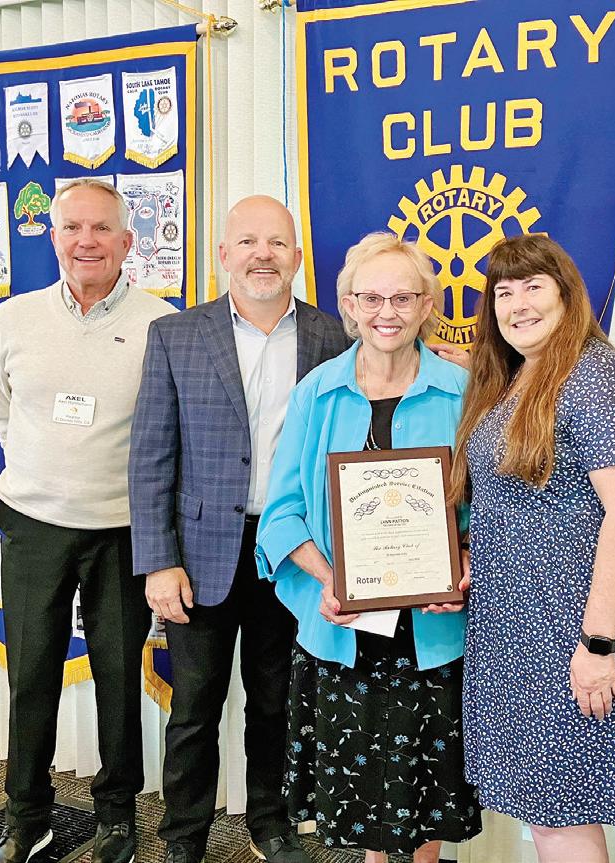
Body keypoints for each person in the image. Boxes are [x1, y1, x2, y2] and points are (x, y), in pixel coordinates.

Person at [128, 195, 348, 863]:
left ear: (297, 258)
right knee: (194, 707)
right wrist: (158, 561)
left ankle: (270, 822)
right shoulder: (175, 334)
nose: (262, 255)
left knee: (276, 699)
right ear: (223, 254)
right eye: (248, 242)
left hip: (293, 551)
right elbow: (151, 454)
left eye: (277, 243)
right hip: (199, 555)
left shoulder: (333, 336)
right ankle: (183, 836)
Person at [255, 232, 481, 863]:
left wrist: (464, 563)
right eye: (371, 298)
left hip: (432, 631)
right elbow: (281, 514)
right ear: (349, 305)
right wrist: (328, 579)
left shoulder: (464, 391)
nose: (387, 312)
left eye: (403, 298)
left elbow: (493, 511)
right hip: (343, 628)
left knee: (426, 796)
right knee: (358, 803)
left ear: (427, 305)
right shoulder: (317, 392)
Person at [449, 234, 615, 863]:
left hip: (579, 623)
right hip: (523, 622)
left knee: (561, 809)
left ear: (567, 294)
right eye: (504, 292)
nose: (518, 304)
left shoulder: (595, 378)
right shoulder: (521, 376)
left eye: (533, 287)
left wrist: (598, 645)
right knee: (547, 810)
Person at [0, 179, 176, 863]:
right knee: (30, 675)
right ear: (54, 236)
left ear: (127, 241)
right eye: (72, 228)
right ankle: (26, 816)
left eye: (101, 229)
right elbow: (3, 410)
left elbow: (168, 431)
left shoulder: (161, 323)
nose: (86, 241)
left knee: (118, 680)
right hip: (34, 526)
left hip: (122, 530)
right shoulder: (14, 317)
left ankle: (117, 817)